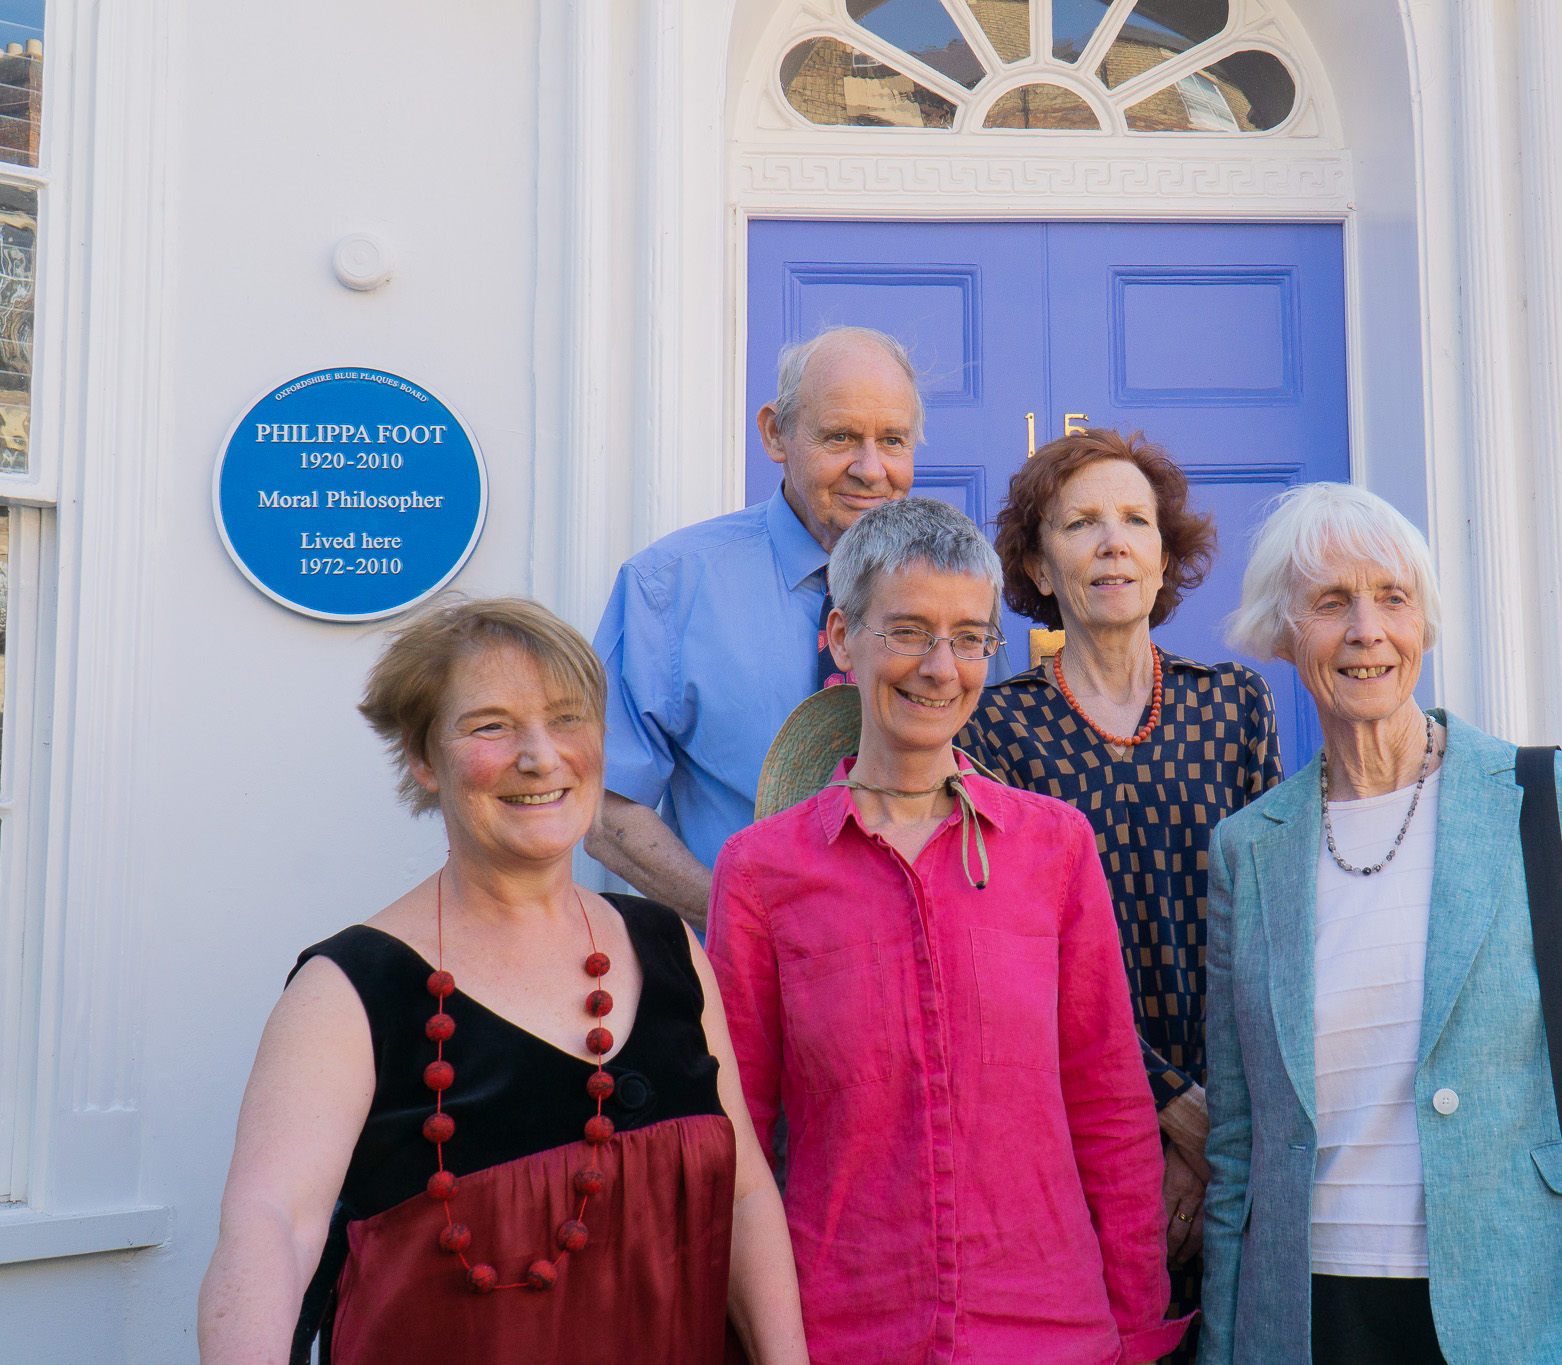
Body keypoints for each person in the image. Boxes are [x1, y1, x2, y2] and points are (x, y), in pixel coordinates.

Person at [1199, 482, 1562, 1365]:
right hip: (1306, 1322)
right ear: (1282, 629)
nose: (1366, 630)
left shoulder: (1550, 801)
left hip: (1519, 1312)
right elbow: (1237, 1152)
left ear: (1424, 621)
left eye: (1393, 597)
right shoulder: (1247, 852)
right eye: (1331, 602)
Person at [197, 598, 807, 1365]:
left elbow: (746, 1194)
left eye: (567, 718)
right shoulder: (346, 991)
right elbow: (271, 1226)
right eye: (491, 725)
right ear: (424, 757)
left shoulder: (671, 948)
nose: (540, 755)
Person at [708, 497, 1188, 1364]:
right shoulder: (761, 872)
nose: (941, 667)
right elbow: (733, 1140)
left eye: (970, 637)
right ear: (842, 638)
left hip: (1054, 1330)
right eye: (908, 632)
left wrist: (1136, 1327)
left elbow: (1110, 1105)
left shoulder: (1055, 848)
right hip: (843, 1330)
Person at [957, 429, 1283, 1359]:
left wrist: (1218, 1117)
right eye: (1082, 523)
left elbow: (1273, 924)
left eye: (1136, 521)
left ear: (1165, 555)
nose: (1113, 542)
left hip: (1242, 1116)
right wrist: (1169, 1112)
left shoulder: (1234, 705)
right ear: (1035, 562)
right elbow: (1020, 960)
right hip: (1074, 1124)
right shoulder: (995, 726)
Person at [585, 326, 921, 930]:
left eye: (893, 441)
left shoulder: (950, 590)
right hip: (736, 986)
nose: (872, 470)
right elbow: (606, 810)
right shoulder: (669, 588)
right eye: (840, 436)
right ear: (775, 433)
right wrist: (744, 921)